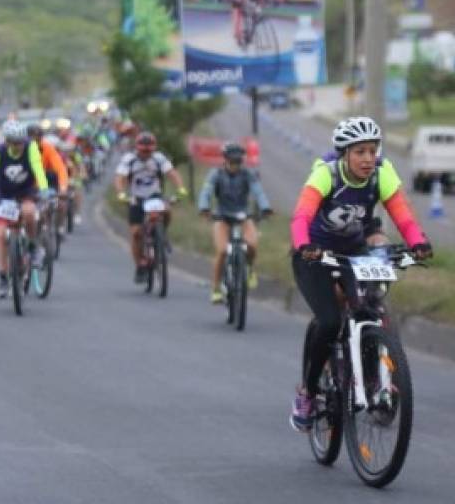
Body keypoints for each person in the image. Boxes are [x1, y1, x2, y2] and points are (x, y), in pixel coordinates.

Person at [288, 116, 432, 432]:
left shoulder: (382, 173)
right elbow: (300, 217)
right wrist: (304, 246)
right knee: (328, 321)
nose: (368, 159)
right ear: (344, 154)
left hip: (353, 253)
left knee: (367, 308)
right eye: (360, 152)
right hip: (315, 256)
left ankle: (370, 379)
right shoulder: (325, 175)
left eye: (372, 151)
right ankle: (308, 394)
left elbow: (403, 217)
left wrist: (418, 242)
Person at [0, 120, 52, 298]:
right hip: (5, 196)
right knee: (1, 235)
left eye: (21, 142)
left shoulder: (30, 148)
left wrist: (44, 189)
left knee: (29, 212)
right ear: (7, 141)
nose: (19, 146)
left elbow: (38, 169)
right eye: (15, 142)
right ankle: (3, 278)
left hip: (26, 193)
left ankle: (33, 247)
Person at [197, 142, 273, 304]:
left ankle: (250, 269)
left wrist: (265, 207)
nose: (235, 166)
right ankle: (216, 288)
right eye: (232, 162)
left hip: (243, 216)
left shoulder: (248, 174)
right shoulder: (215, 174)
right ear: (225, 161)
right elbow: (206, 191)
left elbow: (258, 191)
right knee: (223, 251)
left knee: (252, 244)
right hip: (222, 217)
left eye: (239, 162)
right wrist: (204, 207)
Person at [114, 131, 188, 283]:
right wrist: (121, 193)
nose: (146, 153)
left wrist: (180, 188)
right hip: (136, 198)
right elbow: (119, 178)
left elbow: (172, 173)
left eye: (149, 150)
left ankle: (162, 233)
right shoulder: (129, 159)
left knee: (166, 209)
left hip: (154, 196)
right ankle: (140, 264)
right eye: (143, 150)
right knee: (136, 233)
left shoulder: (159, 159)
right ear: (137, 148)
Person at [28, 121, 70, 242]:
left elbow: (61, 169)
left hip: (47, 182)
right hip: (28, 185)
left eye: (36, 138)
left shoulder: (48, 148)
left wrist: (63, 188)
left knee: (59, 204)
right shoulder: (21, 149)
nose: (33, 141)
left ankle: (58, 227)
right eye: (30, 138)